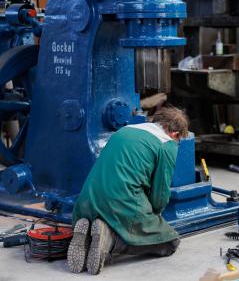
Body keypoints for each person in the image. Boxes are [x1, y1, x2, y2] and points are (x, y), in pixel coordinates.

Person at [67, 106, 189, 275]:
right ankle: (110, 241)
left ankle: (88, 232)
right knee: (170, 243)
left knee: (107, 216)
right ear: (175, 134)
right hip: (122, 201)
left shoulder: (125, 130)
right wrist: (154, 215)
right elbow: (160, 193)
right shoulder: (166, 144)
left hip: (87, 201)